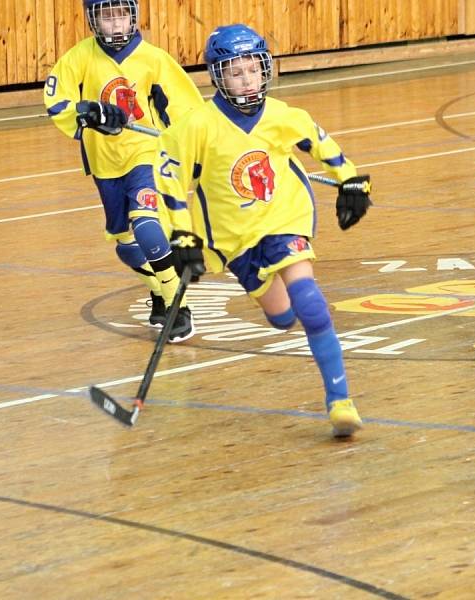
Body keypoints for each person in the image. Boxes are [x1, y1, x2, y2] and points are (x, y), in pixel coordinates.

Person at [154, 24, 372, 437]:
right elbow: (170, 182)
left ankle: (340, 400)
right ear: (218, 77)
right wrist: (181, 235)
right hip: (234, 239)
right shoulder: (194, 126)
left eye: (253, 69)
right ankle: (283, 312)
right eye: (235, 72)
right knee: (282, 318)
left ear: (265, 68)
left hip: (283, 219)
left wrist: (351, 179)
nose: (247, 79)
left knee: (310, 301)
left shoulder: (283, 116)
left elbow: (319, 143)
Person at [43, 0, 204, 342]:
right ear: (93, 20)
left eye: (121, 14)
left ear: (133, 16)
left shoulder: (154, 59)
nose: (115, 23)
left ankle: (180, 303)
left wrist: (194, 146)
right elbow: (58, 102)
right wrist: (89, 110)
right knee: (127, 245)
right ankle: (160, 293)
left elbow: (188, 109)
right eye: (106, 15)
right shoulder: (79, 57)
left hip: (147, 155)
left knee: (147, 225)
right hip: (105, 164)